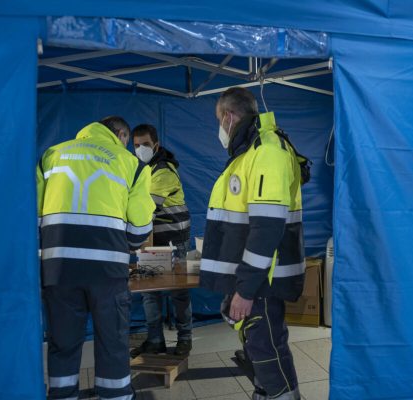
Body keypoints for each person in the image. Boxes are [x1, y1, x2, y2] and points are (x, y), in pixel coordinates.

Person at [37, 116, 155, 400]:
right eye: (127, 140)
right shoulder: (133, 166)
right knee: (112, 343)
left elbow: (33, 213)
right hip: (107, 271)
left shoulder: (51, 155)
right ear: (121, 135)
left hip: (58, 269)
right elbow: (139, 232)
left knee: (62, 343)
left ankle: (62, 396)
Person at [200, 87, 305, 400]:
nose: (220, 128)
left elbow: (267, 227)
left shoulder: (266, 151)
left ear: (230, 117)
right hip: (256, 274)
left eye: (220, 120)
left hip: (262, 278)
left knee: (265, 347)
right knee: (259, 348)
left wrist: (246, 288)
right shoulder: (251, 151)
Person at [130, 124, 193, 358]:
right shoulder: (143, 169)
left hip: (174, 239)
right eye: (136, 145)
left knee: (178, 291)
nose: (140, 149)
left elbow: (146, 205)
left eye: (144, 144)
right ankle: (155, 340)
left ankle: (185, 338)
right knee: (149, 291)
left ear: (155, 144)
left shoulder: (163, 170)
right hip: (153, 240)